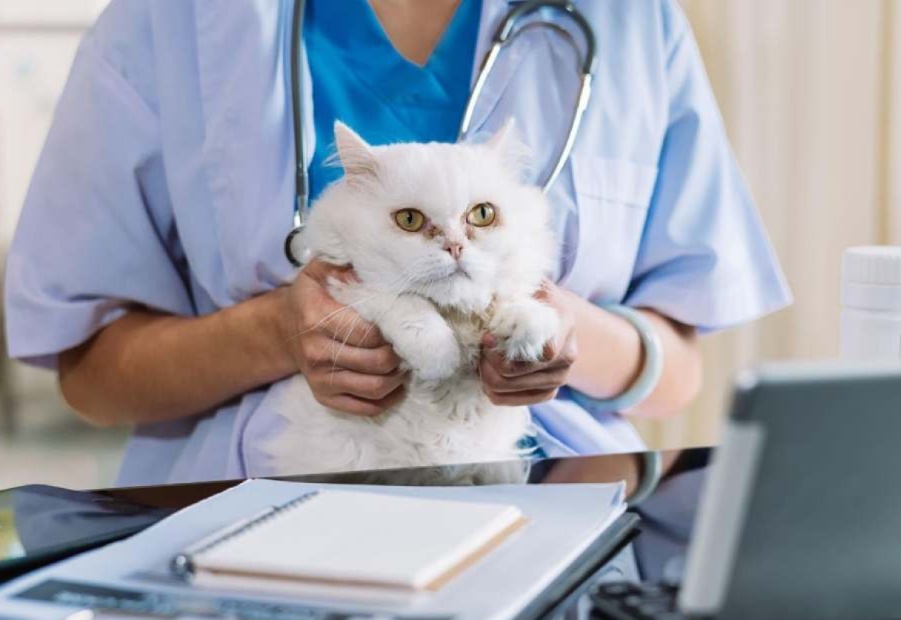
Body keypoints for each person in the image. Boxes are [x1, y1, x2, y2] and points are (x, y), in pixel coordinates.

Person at [3, 0, 790, 485]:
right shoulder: (164, 20)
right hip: (259, 500)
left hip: (556, 499)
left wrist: (560, 336)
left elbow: (678, 373)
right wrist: (278, 331)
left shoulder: (634, 19)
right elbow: (91, 376)